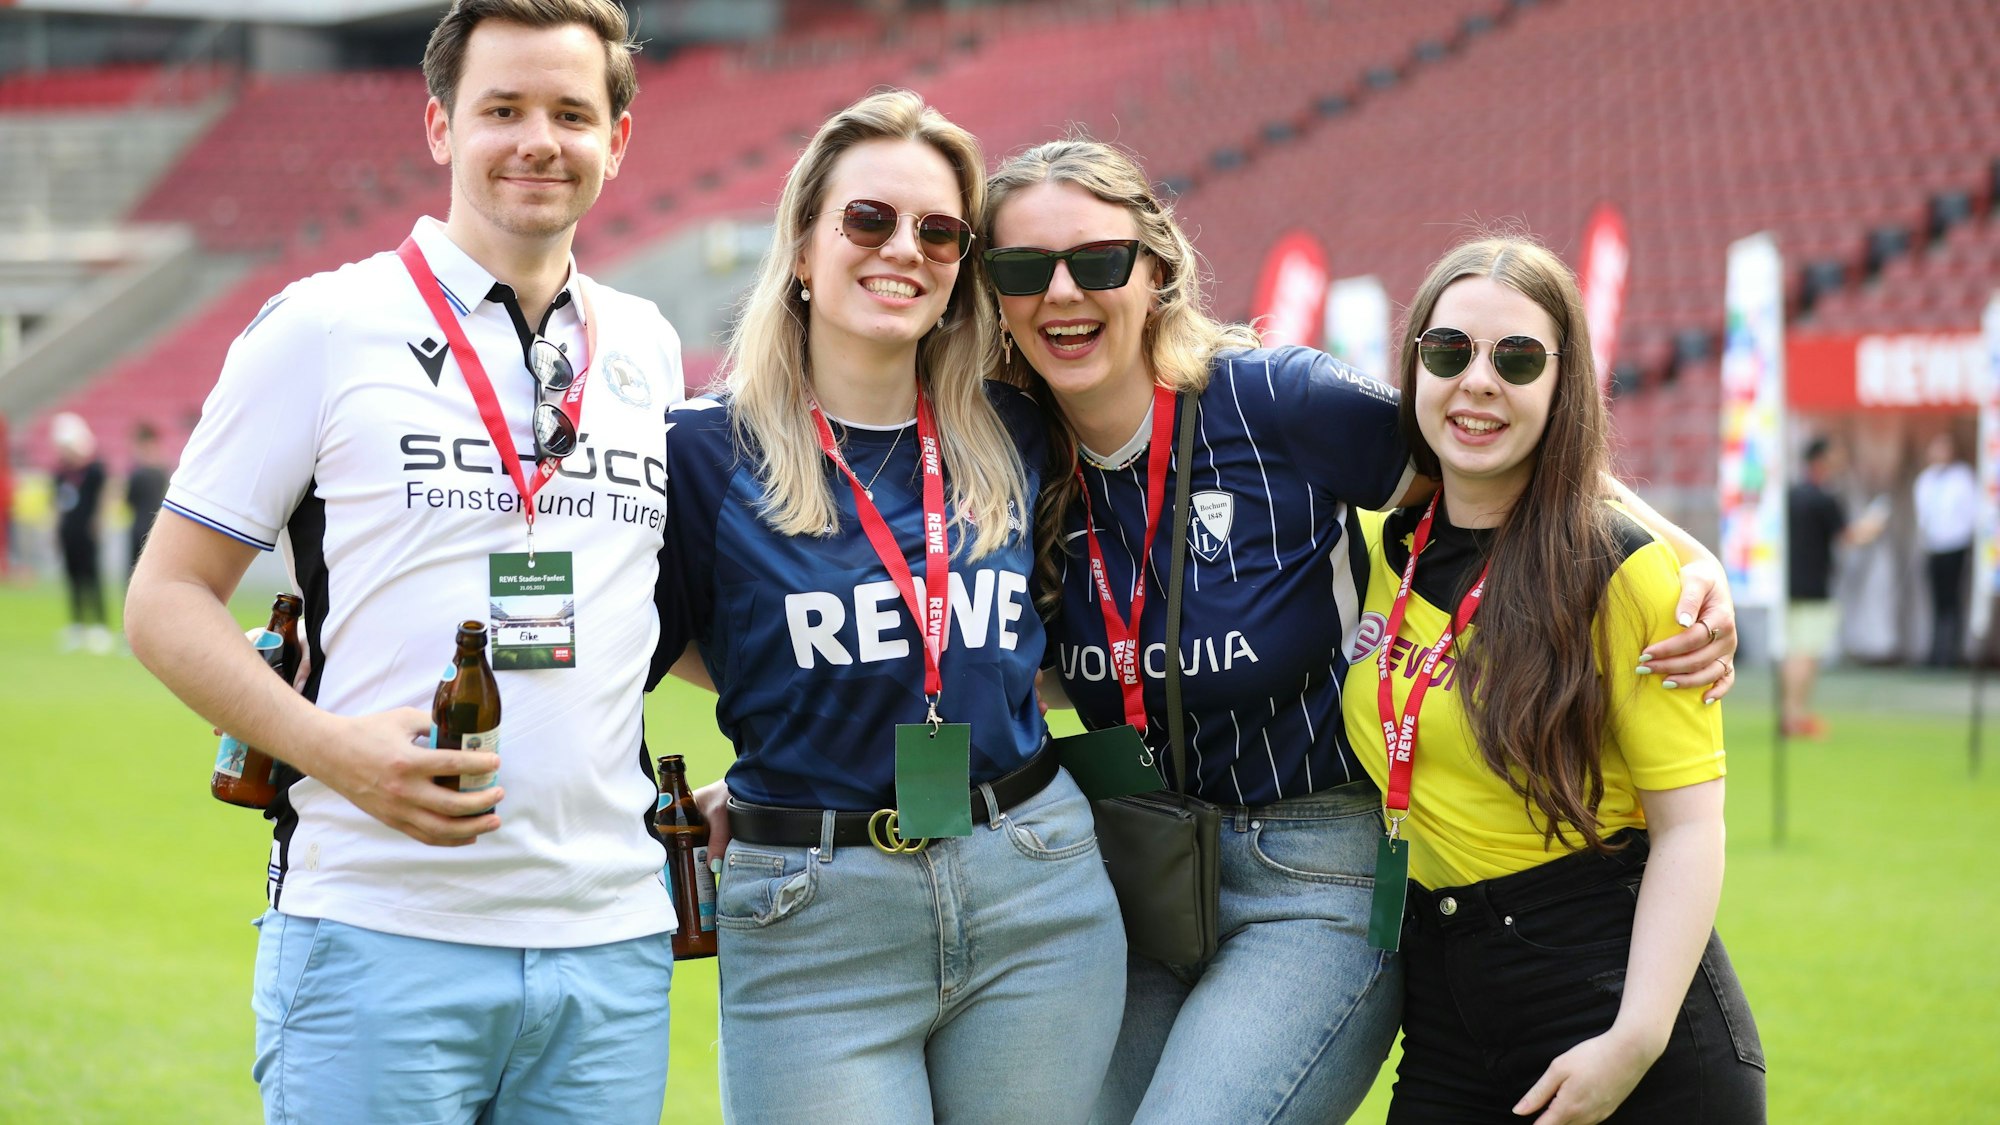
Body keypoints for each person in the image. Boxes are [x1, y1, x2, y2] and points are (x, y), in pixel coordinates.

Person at [980, 139, 1740, 1124]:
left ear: (1155, 268)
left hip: (1314, 871)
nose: (1062, 294)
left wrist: (1685, 555)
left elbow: (1489, 436)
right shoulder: (1000, 447)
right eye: (1021, 269)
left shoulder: (1271, 402)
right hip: (1140, 875)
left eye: (1096, 260)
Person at [123, 2, 684, 1120]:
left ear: (617, 141)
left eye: (573, 112)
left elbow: (648, 612)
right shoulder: (323, 327)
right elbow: (164, 599)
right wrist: (329, 749)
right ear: (439, 129)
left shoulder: (649, 345)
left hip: (611, 949)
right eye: (503, 109)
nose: (539, 139)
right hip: (379, 933)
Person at [651, 90, 1126, 1124]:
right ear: (805, 246)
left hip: (1032, 886)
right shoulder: (698, 454)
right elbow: (641, 658)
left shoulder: (1015, 424)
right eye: (868, 220)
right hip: (813, 915)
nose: (902, 249)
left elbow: (1037, 634)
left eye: (939, 232)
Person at [1343, 235, 1764, 1123]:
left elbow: (1691, 828)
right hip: (1447, 1007)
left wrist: (1634, 1040)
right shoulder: (1385, 545)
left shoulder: (1624, 573)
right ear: (1416, 365)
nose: (1478, 381)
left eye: (1518, 358)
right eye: (1449, 351)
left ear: (1562, 383)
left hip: (1616, 1010)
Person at [1784, 436, 1886, 736]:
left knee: (1793, 650)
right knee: (1807, 651)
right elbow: (1849, 537)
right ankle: (1795, 715)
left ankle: (1791, 713)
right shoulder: (1824, 499)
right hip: (1815, 585)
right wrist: (1874, 524)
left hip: (1790, 583)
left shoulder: (1790, 495)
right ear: (1821, 460)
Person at [1913, 432, 1976, 667]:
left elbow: (1971, 512)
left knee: (1953, 600)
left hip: (1955, 545)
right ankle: (1935, 652)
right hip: (1933, 545)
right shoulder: (1926, 479)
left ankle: (1952, 653)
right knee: (1936, 600)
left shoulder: (1962, 477)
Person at [51, 411, 112, 653]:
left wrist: (100, 523)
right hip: (69, 532)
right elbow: (57, 504)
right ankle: (77, 625)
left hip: (88, 533)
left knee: (92, 577)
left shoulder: (95, 471)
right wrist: (56, 530)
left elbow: (104, 498)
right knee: (72, 577)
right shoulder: (61, 473)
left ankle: (99, 626)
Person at [125, 421, 169, 579]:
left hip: (139, 527)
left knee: (134, 574)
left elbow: (129, 500)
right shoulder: (163, 471)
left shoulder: (137, 473)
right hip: (158, 526)